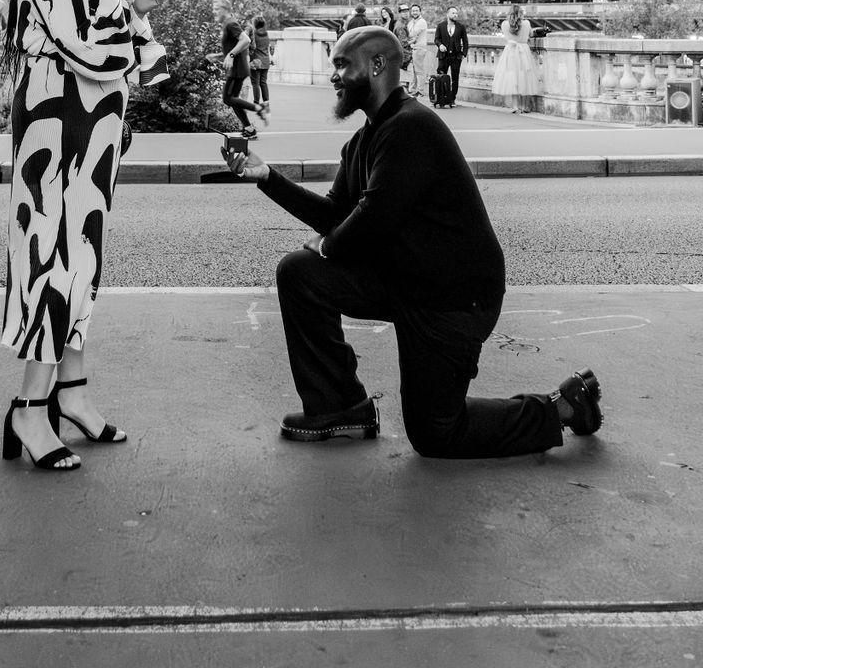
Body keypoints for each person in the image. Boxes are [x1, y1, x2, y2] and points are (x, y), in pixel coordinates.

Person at [222, 26, 603, 456]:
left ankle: (562, 408)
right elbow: (335, 215)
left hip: (453, 299)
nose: (334, 76)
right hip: (408, 282)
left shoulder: (412, 127)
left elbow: (373, 218)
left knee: (436, 433)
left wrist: (327, 246)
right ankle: (340, 407)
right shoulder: (364, 140)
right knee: (300, 273)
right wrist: (266, 177)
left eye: (342, 64)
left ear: (377, 65)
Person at [0, 0, 170, 472]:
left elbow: (141, 61)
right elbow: (94, 52)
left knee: (82, 264)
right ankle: (29, 407)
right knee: (51, 264)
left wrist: (131, 5)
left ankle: (69, 394)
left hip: (89, 146)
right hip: (56, 144)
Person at [215, 0, 265, 139]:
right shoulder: (228, 24)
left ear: (225, 9)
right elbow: (234, 47)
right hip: (238, 68)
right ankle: (249, 129)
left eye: (217, 9)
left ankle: (258, 108)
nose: (214, 12)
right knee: (234, 100)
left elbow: (246, 40)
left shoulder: (231, 23)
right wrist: (219, 56)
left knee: (227, 99)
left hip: (237, 69)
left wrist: (230, 55)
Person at [492, 2, 540, 114]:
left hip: (511, 52)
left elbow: (508, 35)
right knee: (525, 77)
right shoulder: (526, 23)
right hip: (523, 51)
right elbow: (530, 34)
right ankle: (524, 106)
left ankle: (515, 106)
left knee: (512, 77)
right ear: (520, 13)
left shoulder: (504, 24)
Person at [433, 6, 469, 109]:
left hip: (456, 57)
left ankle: (452, 99)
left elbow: (465, 41)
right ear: (447, 14)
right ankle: (441, 98)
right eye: (453, 13)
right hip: (443, 56)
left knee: (455, 79)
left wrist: (463, 54)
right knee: (441, 77)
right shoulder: (441, 26)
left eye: (456, 13)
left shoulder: (461, 27)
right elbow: (436, 39)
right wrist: (440, 45)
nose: (455, 15)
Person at [249, 16, 273, 117]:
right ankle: (266, 104)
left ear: (255, 24)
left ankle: (256, 104)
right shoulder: (266, 34)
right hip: (266, 61)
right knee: (263, 83)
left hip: (256, 62)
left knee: (255, 83)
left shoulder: (254, 34)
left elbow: (251, 47)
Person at [406, 5, 431, 99]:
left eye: (416, 11)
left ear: (420, 12)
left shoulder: (422, 22)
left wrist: (407, 39)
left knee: (419, 71)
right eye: (413, 11)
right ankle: (412, 90)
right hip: (412, 48)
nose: (415, 12)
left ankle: (421, 91)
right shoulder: (411, 22)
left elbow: (411, 34)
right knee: (413, 71)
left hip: (419, 48)